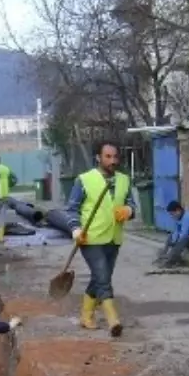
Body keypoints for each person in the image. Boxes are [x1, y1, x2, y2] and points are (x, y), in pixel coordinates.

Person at [66, 142, 138, 337]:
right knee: (103, 278)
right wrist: (76, 230)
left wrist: (128, 211)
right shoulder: (84, 180)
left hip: (114, 238)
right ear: (98, 157)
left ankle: (86, 315)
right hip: (90, 238)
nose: (112, 161)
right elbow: (72, 209)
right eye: (108, 156)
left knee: (100, 277)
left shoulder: (124, 180)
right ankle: (113, 320)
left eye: (115, 157)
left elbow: (132, 204)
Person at [156, 200, 189, 268]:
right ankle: (163, 256)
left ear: (178, 210)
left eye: (172, 213)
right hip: (188, 241)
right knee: (171, 236)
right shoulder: (178, 219)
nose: (172, 216)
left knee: (184, 238)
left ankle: (170, 261)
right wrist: (172, 241)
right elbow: (176, 232)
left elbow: (184, 234)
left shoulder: (187, 217)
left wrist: (175, 246)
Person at [0, 153, 18, 244]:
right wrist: (9, 185)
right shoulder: (6, 168)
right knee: (2, 217)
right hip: (5, 196)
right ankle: (1, 238)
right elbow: (14, 179)